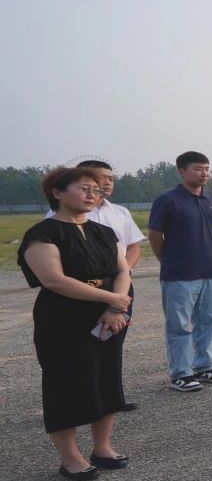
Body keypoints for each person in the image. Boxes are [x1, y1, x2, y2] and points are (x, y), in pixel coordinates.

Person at [19, 167, 133, 481]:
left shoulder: (105, 232)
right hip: (63, 318)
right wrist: (112, 298)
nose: (92, 194)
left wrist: (115, 306)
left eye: (96, 189)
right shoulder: (43, 233)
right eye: (84, 188)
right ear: (57, 192)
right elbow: (53, 280)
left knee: (107, 377)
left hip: (108, 315)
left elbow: (122, 270)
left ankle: (102, 447)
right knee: (64, 383)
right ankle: (70, 458)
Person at [46, 159, 145, 410]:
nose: (106, 183)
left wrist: (123, 275)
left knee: (112, 344)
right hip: (82, 293)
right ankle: (83, 404)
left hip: (119, 287)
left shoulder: (120, 212)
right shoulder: (56, 220)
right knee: (81, 352)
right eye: (100, 178)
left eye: (110, 179)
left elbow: (133, 246)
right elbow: (54, 274)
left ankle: (112, 399)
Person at [148, 151, 212, 392]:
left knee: (208, 321)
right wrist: (167, 260)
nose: (204, 173)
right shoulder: (168, 200)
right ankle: (181, 374)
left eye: (207, 169)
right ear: (181, 171)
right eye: (197, 168)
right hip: (179, 275)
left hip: (211, 272)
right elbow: (155, 235)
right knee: (179, 325)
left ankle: (204, 366)